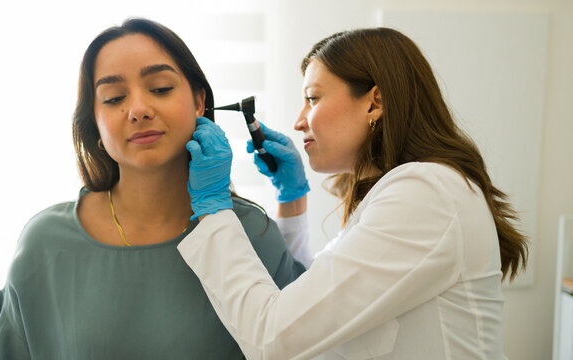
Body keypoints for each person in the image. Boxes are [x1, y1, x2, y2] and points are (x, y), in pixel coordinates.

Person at [178, 27, 529, 359]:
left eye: (312, 98)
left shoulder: (425, 195)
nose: (300, 121)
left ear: (374, 103)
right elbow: (306, 296)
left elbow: (274, 337)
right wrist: (292, 200)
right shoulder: (407, 193)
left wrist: (214, 208)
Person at [0, 18, 305, 360]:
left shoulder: (252, 236)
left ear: (200, 103)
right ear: (94, 122)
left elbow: (316, 337)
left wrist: (294, 202)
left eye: (160, 88)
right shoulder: (46, 243)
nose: (139, 110)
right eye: (113, 98)